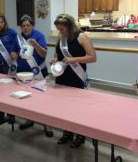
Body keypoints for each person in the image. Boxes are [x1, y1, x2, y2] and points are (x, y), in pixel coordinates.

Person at [51, 13, 96, 148]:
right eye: (58, 29)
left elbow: (92, 57)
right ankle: (68, 133)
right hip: (63, 76)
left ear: (69, 26)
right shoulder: (61, 36)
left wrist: (73, 59)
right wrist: (54, 59)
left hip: (77, 77)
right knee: (64, 107)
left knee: (78, 108)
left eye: (62, 29)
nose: (60, 31)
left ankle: (80, 135)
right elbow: (57, 53)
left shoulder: (82, 37)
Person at [11, 14, 48, 130]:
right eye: (23, 26)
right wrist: (14, 54)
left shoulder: (39, 35)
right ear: (20, 27)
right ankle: (29, 119)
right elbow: (13, 52)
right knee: (26, 98)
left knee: (41, 98)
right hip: (23, 74)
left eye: (28, 25)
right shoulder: (17, 37)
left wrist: (35, 44)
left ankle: (46, 124)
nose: (26, 28)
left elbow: (44, 54)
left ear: (32, 26)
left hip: (39, 72)